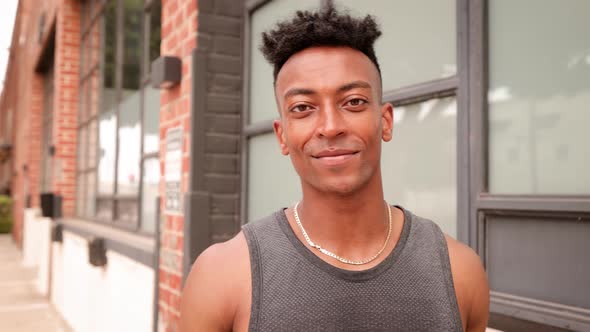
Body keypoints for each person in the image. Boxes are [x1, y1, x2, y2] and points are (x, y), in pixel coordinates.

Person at [180, 2, 489, 331]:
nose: (330, 126)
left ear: (385, 121)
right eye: (302, 107)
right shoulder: (221, 275)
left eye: (353, 102)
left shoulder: (460, 270)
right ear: (282, 135)